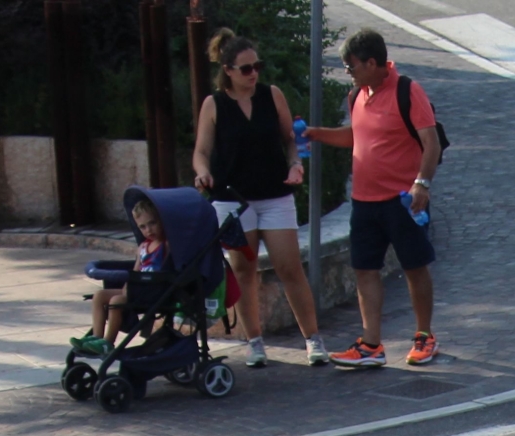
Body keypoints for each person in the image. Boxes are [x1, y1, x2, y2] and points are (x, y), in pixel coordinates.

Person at [301, 29, 442, 370]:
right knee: (365, 269)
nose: (348, 72)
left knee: (414, 267)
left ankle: (424, 336)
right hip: (364, 201)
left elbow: (431, 142)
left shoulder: (408, 91)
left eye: (351, 66)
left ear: (372, 62)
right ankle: (371, 344)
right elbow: (358, 136)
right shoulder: (357, 95)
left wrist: (422, 184)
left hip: (401, 200)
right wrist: (319, 135)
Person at [193, 30, 326, 368]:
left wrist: (296, 163)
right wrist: (202, 173)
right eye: (246, 68)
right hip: (232, 198)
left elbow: (290, 140)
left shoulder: (272, 95)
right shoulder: (215, 104)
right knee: (243, 270)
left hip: (274, 193)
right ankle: (254, 341)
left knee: (289, 266)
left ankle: (313, 339)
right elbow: (201, 152)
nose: (253, 74)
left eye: (257, 67)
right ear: (228, 70)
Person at [72, 196, 167, 352]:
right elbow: (136, 271)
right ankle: (97, 337)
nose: (148, 230)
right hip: (139, 288)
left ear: (161, 221)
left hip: (154, 291)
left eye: (152, 223)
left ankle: (108, 343)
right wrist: (127, 287)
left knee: (116, 300)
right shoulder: (143, 246)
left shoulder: (166, 245)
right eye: (143, 227)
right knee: (99, 295)